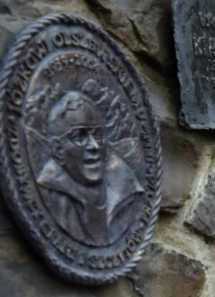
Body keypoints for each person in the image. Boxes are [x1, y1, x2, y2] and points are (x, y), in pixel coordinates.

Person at [35, 89, 146, 248]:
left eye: (97, 134)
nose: (94, 145)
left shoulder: (128, 188)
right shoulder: (47, 194)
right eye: (79, 136)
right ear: (58, 150)